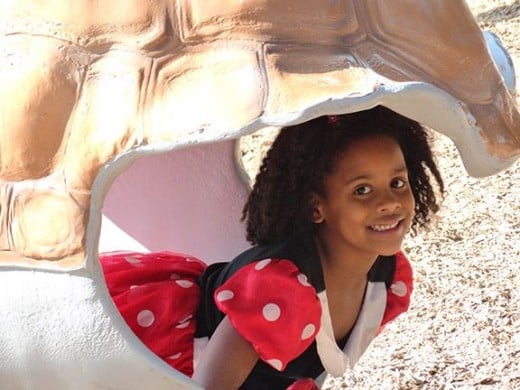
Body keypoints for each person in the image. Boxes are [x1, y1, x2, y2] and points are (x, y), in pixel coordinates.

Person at [100, 105, 444, 389]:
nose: (389, 202)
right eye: (362, 190)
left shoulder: (386, 276)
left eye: (397, 183)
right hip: (162, 353)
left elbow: (312, 358)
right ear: (315, 207)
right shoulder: (280, 289)